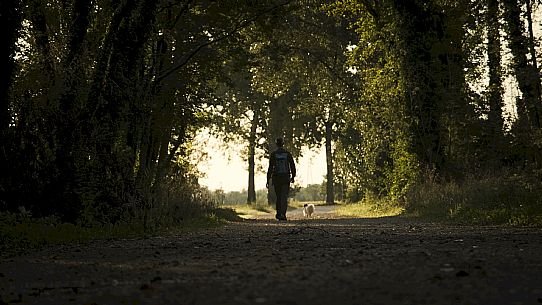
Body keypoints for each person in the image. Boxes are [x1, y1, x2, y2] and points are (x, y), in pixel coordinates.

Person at [266, 138, 296, 221]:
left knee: (278, 196)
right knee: (284, 196)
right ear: (283, 144)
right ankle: (283, 213)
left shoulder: (274, 154)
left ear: (276, 144)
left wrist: (268, 179)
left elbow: (270, 168)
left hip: (277, 178)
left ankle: (279, 213)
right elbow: (292, 165)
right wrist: (293, 176)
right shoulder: (287, 154)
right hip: (285, 178)